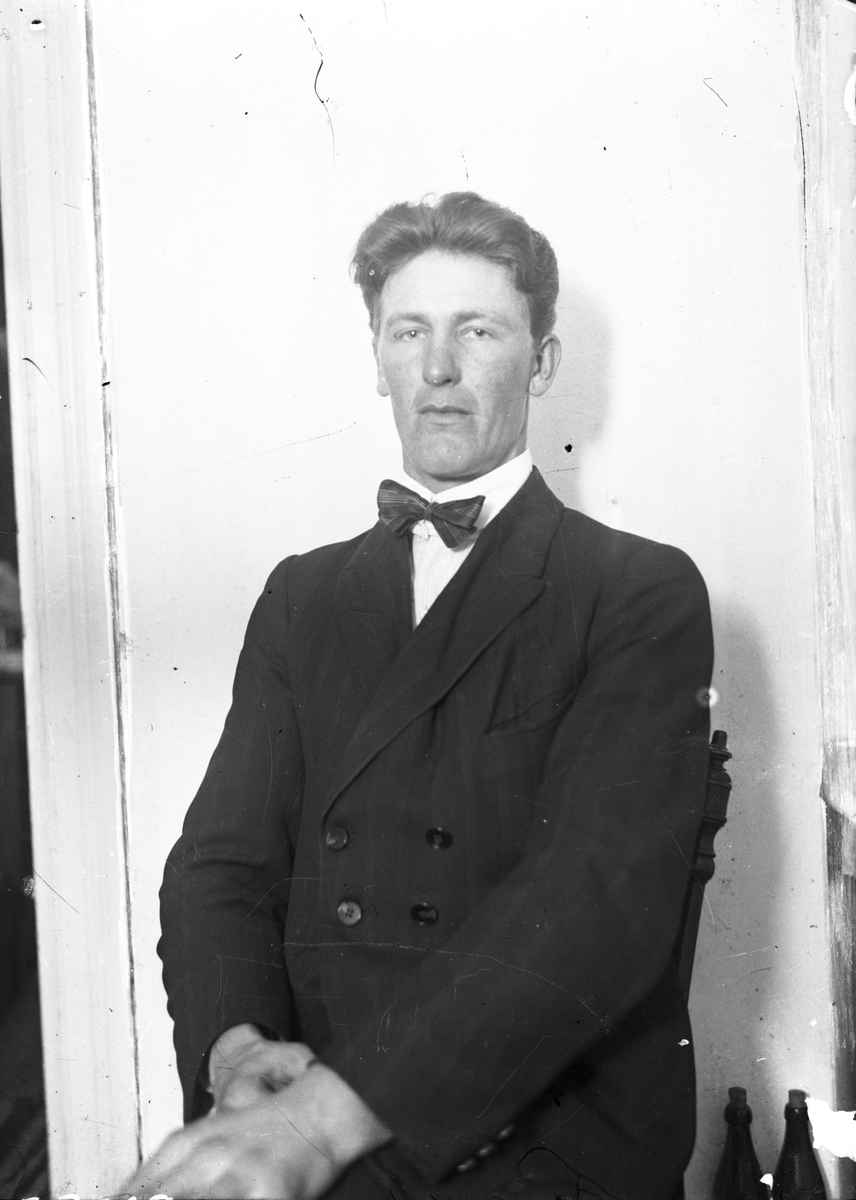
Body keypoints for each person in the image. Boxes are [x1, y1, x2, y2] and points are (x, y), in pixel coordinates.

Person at [128, 192, 714, 1200]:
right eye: (409, 332)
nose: (438, 367)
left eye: (476, 331)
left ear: (541, 363)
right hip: (310, 1090)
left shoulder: (638, 590)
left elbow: (592, 900)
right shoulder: (303, 594)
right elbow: (220, 864)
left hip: (540, 1126)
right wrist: (237, 1052)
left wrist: (322, 1122)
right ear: (378, 360)